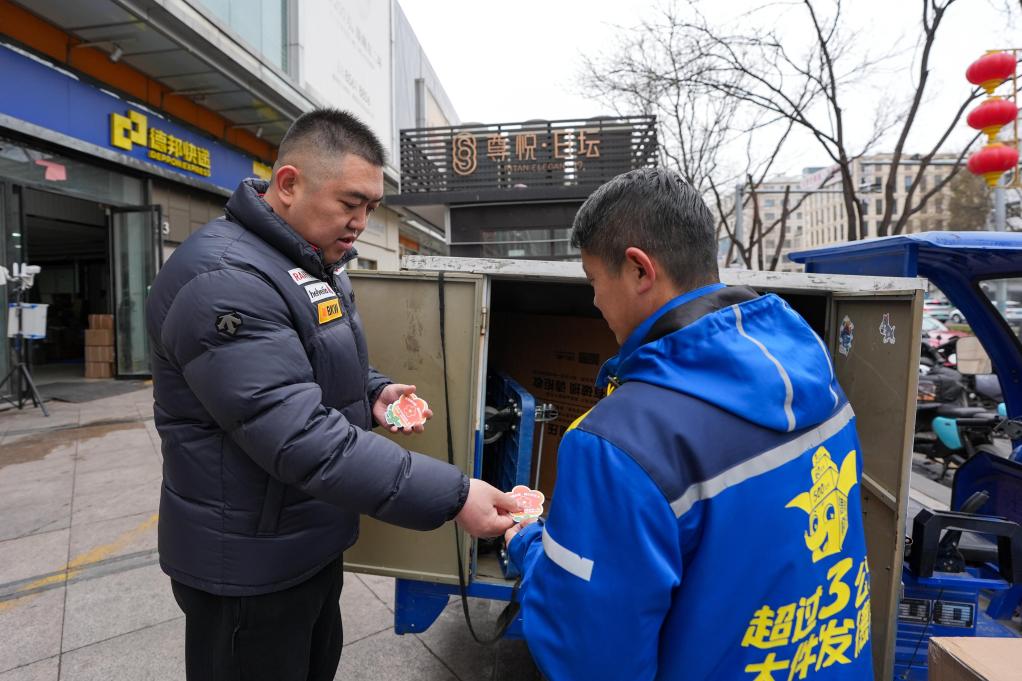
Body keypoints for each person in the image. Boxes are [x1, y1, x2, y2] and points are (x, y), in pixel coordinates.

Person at [146, 108, 517, 681]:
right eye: (351, 203)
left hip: (304, 541)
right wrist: (456, 495)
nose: (361, 222)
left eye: (371, 207)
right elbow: (300, 438)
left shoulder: (310, 260)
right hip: (249, 566)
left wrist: (372, 391)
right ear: (289, 184)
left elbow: (304, 364)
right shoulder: (224, 280)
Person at [505, 168, 874, 680]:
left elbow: (591, 658)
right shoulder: (814, 372)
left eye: (593, 280)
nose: (594, 300)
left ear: (639, 270)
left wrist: (526, 544)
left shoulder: (618, 442)